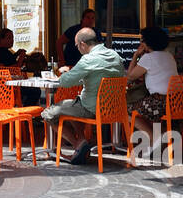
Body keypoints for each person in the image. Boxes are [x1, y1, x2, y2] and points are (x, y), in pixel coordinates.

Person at [43, 28, 126, 164]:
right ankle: (82, 142)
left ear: (82, 44)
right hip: (115, 108)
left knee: (48, 113)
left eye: (76, 46)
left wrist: (64, 72)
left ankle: (78, 145)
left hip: (92, 108)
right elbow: (101, 77)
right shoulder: (115, 56)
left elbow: (66, 82)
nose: (77, 49)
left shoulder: (88, 59)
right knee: (73, 105)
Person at [126, 26, 177, 123]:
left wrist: (135, 55)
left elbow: (130, 76)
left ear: (148, 42)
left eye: (142, 40)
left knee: (125, 111)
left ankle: (153, 136)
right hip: (176, 102)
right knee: (144, 105)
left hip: (159, 104)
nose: (141, 43)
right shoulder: (169, 55)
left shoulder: (148, 58)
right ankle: (157, 134)